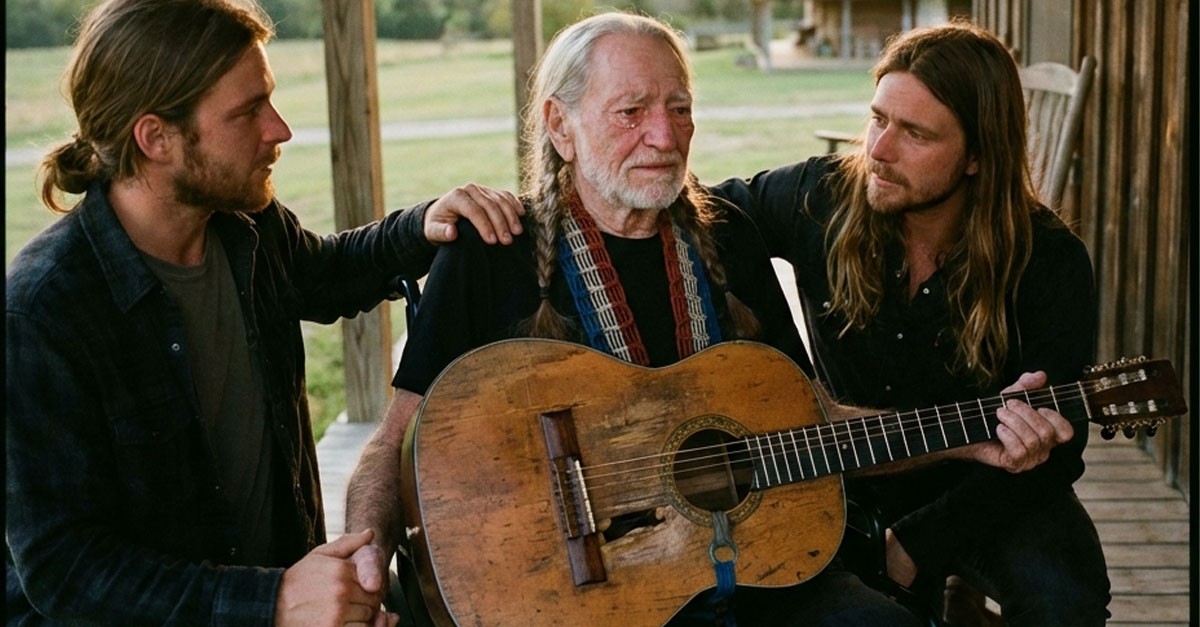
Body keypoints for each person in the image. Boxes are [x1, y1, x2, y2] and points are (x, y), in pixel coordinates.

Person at [344, 12, 927, 627]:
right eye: (631, 112)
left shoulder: (730, 239)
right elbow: (394, 441)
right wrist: (365, 559)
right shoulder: (491, 251)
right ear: (559, 126)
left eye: (680, 109)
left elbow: (816, 421)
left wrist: (975, 439)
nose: (665, 137)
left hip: (761, 574)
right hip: (581, 604)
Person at [4, 0, 521, 624]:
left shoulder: (245, 225)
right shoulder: (41, 313)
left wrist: (424, 225)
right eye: (248, 112)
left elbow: (323, 273)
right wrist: (271, 602)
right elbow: (66, 570)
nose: (279, 129)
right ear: (156, 138)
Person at [711, 20, 1110, 626]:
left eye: (915, 134)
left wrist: (917, 546)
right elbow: (695, 214)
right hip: (838, 466)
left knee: (1067, 599)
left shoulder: (1048, 261)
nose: (878, 149)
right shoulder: (821, 197)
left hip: (983, 489)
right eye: (878, 118)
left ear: (977, 156)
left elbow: (1054, 453)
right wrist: (518, 210)